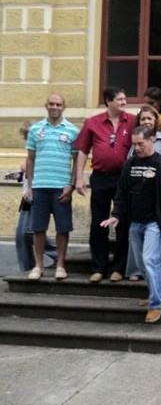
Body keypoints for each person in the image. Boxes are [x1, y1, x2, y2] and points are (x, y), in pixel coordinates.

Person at [101, 126, 161, 323]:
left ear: (152, 140)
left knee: (149, 260)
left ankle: (155, 305)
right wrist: (116, 215)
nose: (137, 148)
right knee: (141, 264)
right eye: (134, 144)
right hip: (134, 222)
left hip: (155, 222)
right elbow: (121, 193)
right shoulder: (130, 165)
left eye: (141, 144)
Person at [74, 86, 135, 283]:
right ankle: (99, 267)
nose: (124, 103)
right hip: (100, 177)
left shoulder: (132, 121)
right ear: (108, 101)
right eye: (119, 99)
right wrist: (79, 177)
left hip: (123, 179)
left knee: (122, 223)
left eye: (124, 99)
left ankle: (118, 267)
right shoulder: (92, 122)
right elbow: (82, 150)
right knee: (98, 223)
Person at [124, 105, 161, 282]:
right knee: (135, 237)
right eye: (143, 119)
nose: (147, 122)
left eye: (150, 118)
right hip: (139, 196)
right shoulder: (136, 142)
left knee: (157, 239)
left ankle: (160, 272)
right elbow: (129, 167)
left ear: (156, 121)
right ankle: (135, 269)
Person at [24, 94, 78, 281]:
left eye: (59, 104)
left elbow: (77, 161)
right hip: (40, 185)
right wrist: (29, 186)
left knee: (62, 228)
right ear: (46, 105)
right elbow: (30, 159)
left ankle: (60, 265)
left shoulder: (72, 130)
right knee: (38, 228)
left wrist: (71, 186)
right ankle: (38, 266)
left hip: (61, 187)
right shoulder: (35, 130)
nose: (55, 107)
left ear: (64, 107)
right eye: (52, 104)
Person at [11, 122, 56, 273]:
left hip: (38, 195)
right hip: (27, 199)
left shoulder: (44, 152)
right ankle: (26, 268)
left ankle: (59, 252)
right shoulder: (31, 153)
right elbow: (27, 175)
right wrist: (19, 175)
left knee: (29, 233)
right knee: (21, 236)